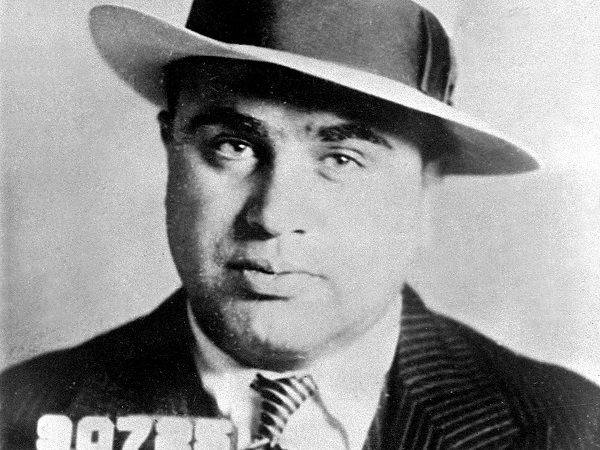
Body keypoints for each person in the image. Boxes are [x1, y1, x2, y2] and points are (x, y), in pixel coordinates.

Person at [1, 1, 599, 449]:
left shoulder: (570, 429)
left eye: (341, 158)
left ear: (426, 186)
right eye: (232, 146)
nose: (273, 216)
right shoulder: (22, 418)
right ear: (171, 147)